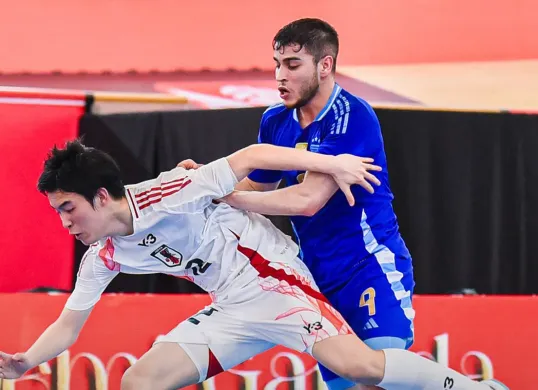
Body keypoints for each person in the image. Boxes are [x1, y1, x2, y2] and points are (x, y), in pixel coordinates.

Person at [0, 140, 506, 390]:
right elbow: (68, 324)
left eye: (68, 208)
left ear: (102, 195)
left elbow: (250, 156)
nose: (64, 222)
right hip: (231, 307)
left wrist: (333, 165)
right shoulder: (103, 254)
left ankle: (473, 388)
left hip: (278, 285)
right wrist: (25, 361)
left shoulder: (168, 192)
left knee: (359, 367)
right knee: (137, 382)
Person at [180, 18, 505, 390]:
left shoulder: (351, 116)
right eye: (276, 64)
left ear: (325, 65)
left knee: (375, 378)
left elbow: (307, 200)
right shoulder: (275, 121)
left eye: (292, 65)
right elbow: (258, 182)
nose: (279, 76)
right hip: (317, 276)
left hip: (368, 266)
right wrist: (207, 180)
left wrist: (228, 196)